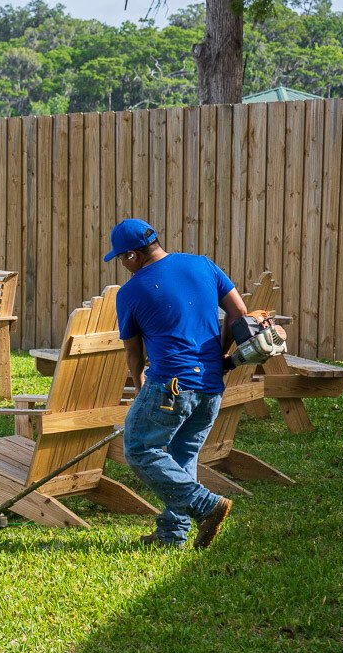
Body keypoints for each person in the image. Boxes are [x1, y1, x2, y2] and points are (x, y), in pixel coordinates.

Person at [106, 218, 281, 549]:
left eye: (120, 259)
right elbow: (239, 314)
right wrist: (219, 356)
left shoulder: (131, 292)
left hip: (171, 385)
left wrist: (141, 386)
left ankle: (206, 505)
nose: (123, 266)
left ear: (132, 256)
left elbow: (133, 353)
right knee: (180, 454)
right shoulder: (203, 265)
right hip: (211, 387)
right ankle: (173, 534)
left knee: (139, 448)